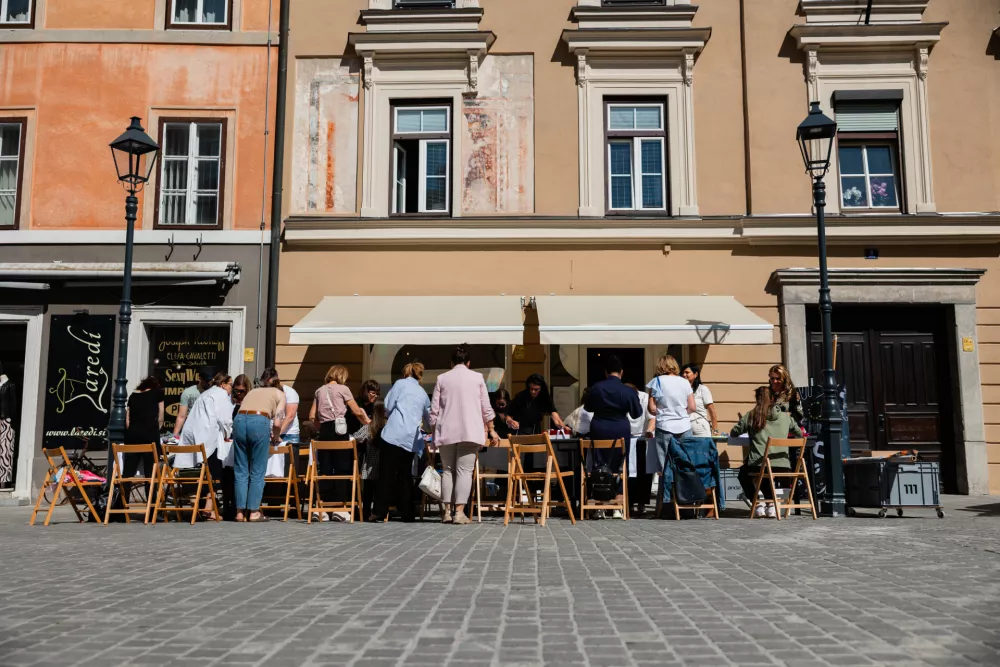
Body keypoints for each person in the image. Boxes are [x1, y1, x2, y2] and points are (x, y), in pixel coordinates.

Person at [430, 345, 499, 525]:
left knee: (447, 470)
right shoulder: (477, 378)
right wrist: (491, 430)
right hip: (470, 430)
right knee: (464, 471)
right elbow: (486, 407)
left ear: (451, 363)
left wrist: (432, 432)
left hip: (446, 430)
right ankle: (459, 512)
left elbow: (434, 411)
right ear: (468, 363)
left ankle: (446, 511)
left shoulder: (442, 378)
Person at [309, 365, 370, 522]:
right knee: (343, 469)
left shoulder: (318, 390)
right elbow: (356, 411)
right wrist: (368, 423)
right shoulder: (344, 389)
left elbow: (311, 417)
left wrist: (320, 426)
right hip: (339, 430)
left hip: (324, 432)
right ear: (342, 376)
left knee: (325, 470)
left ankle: (321, 509)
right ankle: (340, 509)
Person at [584, 355, 642, 518]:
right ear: (621, 372)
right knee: (620, 466)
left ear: (605, 372)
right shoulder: (627, 390)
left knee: (599, 465)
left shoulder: (597, 388)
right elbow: (637, 414)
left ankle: (599, 507)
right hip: (620, 430)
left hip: (599, 429)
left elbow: (588, 408)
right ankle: (617, 507)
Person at [730, 385, 802, 518]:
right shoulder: (785, 416)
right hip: (784, 466)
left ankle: (758, 505)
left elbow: (734, 432)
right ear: (773, 399)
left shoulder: (752, 415)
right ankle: (771, 505)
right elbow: (799, 433)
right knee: (763, 470)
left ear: (757, 399)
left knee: (745, 473)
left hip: (760, 464)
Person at [373, 362, 431, 523]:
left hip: (393, 434)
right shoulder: (422, 392)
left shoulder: (399, 384)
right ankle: (407, 512)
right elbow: (429, 416)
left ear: (405, 372)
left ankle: (379, 511)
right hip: (410, 438)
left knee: (386, 474)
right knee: (405, 476)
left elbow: (388, 405)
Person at [178, 372, 234, 520]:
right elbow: (225, 419)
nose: (231, 389)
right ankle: (209, 510)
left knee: (197, 473)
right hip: (209, 440)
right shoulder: (221, 395)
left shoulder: (205, 394)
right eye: (230, 385)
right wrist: (228, 434)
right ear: (223, 385)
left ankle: (199, 508)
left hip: (194, 438)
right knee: (214, 475)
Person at [232, 373, 285, 522]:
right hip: (259, 421)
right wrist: (275, 437)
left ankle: (240, 512)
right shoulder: (280, 394)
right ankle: (254, 512)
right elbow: (277, 423)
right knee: (257, 469)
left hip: (240, 420)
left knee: (241, 468)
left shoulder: (253, 391)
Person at [645, 355, 696, 494]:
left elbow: (652, 408)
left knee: (664, 464)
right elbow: (692, 407)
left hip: (665, 425)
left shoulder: (657, 382)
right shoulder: (685, 382)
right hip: (684, 425)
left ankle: (666, 498)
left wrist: (664, 411)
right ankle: (685, 497)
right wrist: (680, 413)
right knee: (685, 462)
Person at [122, 376, 164, 494]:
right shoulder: (157, 393)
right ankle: (152, 507)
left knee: (128, 472)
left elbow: (127, 421)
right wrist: (157, 428)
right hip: (150, 436)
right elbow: (161, 415)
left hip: (132, 437)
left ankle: (122, 505)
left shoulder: (133, 396)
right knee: (150, 473)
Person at [351, 398, 387, 520]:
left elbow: (355, 438)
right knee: (380, 491)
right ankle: (381, 512)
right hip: (383, 465)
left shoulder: (369, 427)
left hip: (370, 464)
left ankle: (366, 512)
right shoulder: (388, 427)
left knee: (368, 491)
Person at [625, 382, 656, 517]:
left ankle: (642, 503)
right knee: (628, 474)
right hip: (625, 437)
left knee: (644, 472)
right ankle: (629, 503)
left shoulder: (644, 398)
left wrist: (649, 430)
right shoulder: (622, 398)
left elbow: (652, 418)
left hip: (642, 437)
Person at [173, 367, 213, 440]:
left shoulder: (215, 392)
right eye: (206, 380)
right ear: (200, 379)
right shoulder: (188, 392)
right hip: (193, 431)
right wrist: (175, 436)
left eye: (210, 380)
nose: (209, 383)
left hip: (210, 431)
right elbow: (182, 416)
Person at [682, 364, 718, 437]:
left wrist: (715, 429)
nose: (684, 375)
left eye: (687, 372)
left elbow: (711, 410)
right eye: (683, 373)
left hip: (700, 426)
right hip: (685, 427)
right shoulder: (681, 391)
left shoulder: (702, 389)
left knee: (703, 448)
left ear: (695, 374)